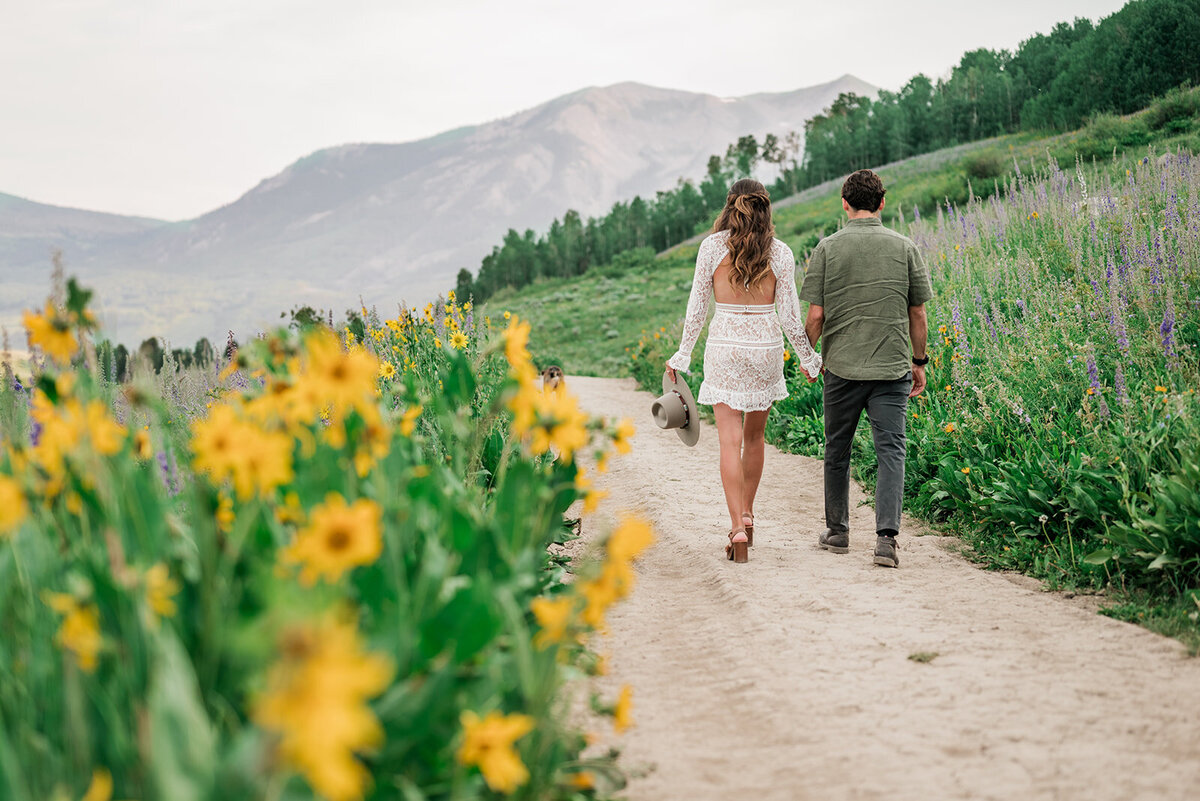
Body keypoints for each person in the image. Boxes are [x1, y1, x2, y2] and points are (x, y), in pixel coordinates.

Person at [666, 179, 822, 564]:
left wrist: (683, 353)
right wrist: (808, 357)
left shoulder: (711, 248)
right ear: (766, 208)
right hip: (765, 349)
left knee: (727, 442)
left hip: (725, 348)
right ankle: (749, 514)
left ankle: (736, 526)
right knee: (755, 440)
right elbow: (788, 315)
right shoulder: (780, 252)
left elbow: (697, 308)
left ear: (729, 206)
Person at [800, 169, 932, 568]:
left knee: (836, 450)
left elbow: (816, 316)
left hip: (840, 368)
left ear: (844, 203)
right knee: (891, 450)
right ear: (882, 202)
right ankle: (887, 541)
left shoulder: (827, 248)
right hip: (892, 368)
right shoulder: (905, 246)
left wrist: (809, 356)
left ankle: (838, 533)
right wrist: (919, 361)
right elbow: (918, 312)